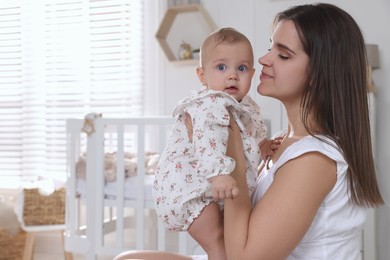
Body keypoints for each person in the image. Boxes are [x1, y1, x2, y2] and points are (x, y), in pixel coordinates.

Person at [114, 3, 384, 260]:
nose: (264, 60)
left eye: (283, 54)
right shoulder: (281, 140)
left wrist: (231, 145)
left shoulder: (313, 160)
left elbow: (244, 256)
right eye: (270, 47)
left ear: (319, 75)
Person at [152, 27, 276, 260]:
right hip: (187, 188)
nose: (232, 75)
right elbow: (208, 139)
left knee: (228, 242)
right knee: (218, 242)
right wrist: (218, 174)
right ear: (202, 76)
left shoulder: (246, 107)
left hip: (208, 185)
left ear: (252, 72)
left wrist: (263, 145)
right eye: (221, 67)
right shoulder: (209, 104)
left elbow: (246, 138)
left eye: (241, 68)